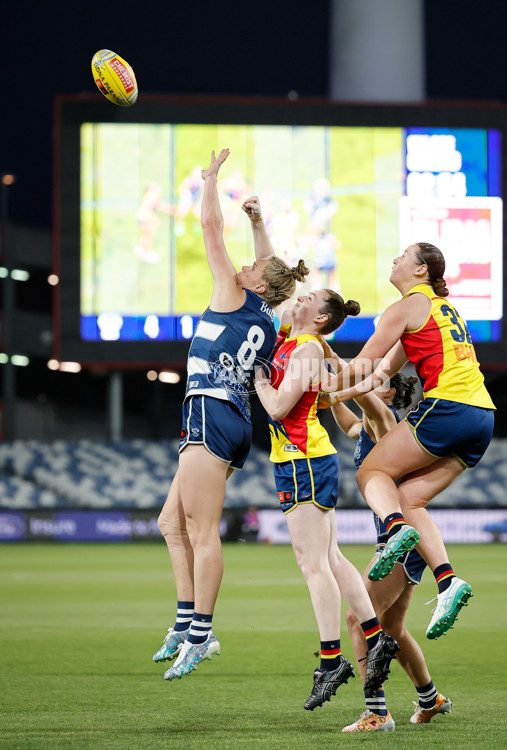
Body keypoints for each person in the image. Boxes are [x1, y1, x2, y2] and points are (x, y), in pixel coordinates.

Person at [152, 149, 308, 681]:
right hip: (233, 417)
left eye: (252, 265)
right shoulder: (270, 310)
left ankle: (201, 634)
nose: (245, 263)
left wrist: (210, 182)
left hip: (212, 411)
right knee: (171, 523)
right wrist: (261, 225)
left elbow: (212, 229)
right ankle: (184, 622)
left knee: (202, 532)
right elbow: (275, 270)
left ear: (258, 283)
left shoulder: (231, 291)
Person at [322, 242, 495, 640]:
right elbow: (377, 375)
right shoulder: (436, 310)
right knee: (410, 499)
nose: (395, 259)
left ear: (421, 271)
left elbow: (362, 364)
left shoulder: (405, 307)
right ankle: (448, 581)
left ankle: (395, 529)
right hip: (482, 417)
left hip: (449, 405)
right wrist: (332, 395)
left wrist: (314, 385)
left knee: (371, 472)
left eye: (403, 255)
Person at [252, 282, 400, 712]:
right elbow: (332, 386)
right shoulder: (292, 340)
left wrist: (260, 382)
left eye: (309, 298)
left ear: (319, 319)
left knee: (312, 563)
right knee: (332, 558)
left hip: (303, 460)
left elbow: (279, 408)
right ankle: (376, 638)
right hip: (302, 458)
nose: (300, 297)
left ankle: (331, 660)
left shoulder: (307, 350)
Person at [328, 373, 452, 730]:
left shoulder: (387, 421)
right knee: (392, 626)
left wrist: (332, 374)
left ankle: (377, 712)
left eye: (376, 379)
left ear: (391, 393)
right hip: (400, 542)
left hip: (398, 542)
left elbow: (361, 397)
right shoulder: (368, 427)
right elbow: (349, 422)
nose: (367, 383)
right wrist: (334, 396)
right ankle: (431, 700)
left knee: (356, 618)